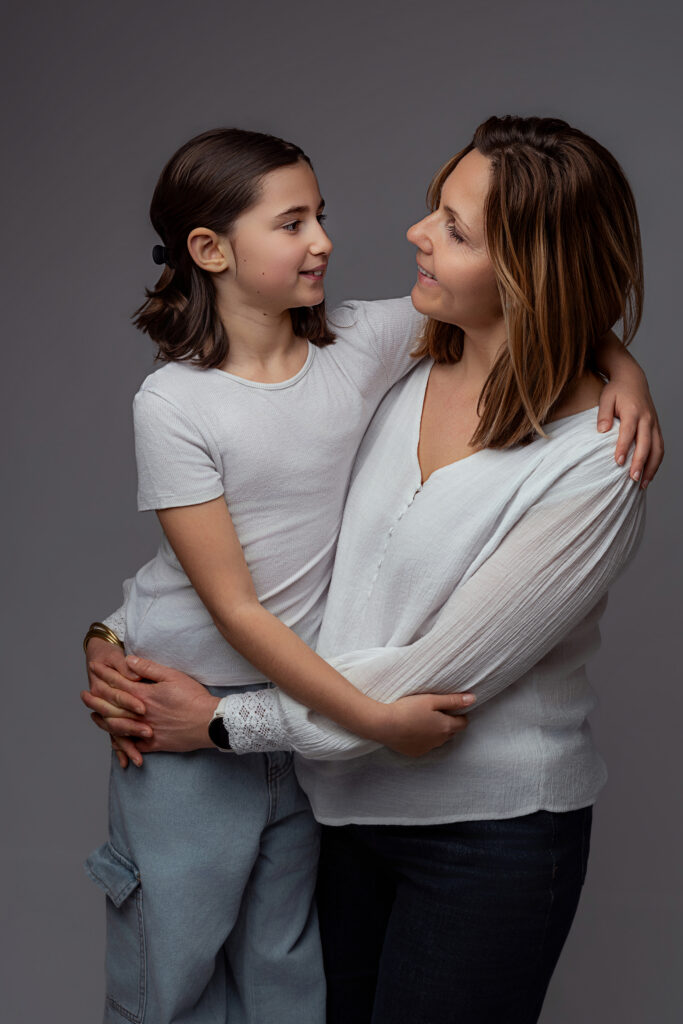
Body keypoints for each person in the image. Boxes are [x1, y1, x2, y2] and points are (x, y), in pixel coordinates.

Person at [86, 116, 660, 1024]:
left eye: (455, 229)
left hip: (483, 839)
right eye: (436, 208)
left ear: (526, 273)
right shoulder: (396, 362)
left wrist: (227, 722)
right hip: (341, 816)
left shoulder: (594, 464)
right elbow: (253, 559)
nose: (412, 233)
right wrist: (114, 635)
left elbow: (433, 686)